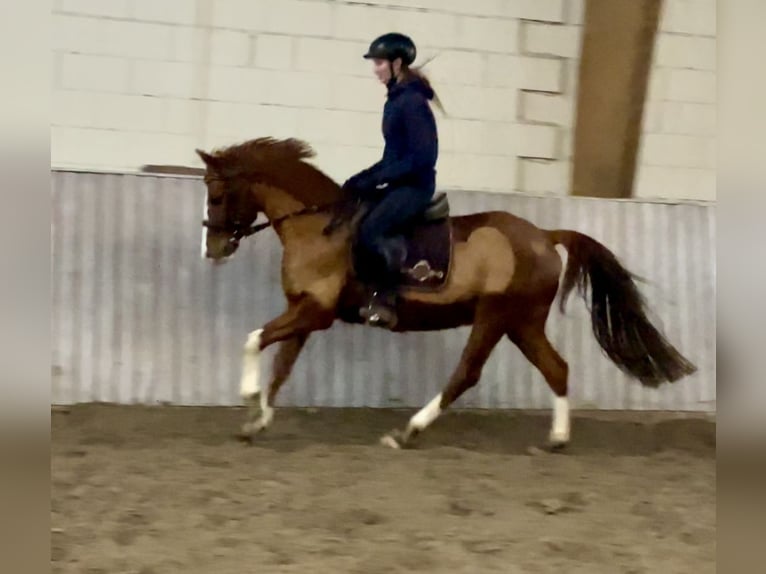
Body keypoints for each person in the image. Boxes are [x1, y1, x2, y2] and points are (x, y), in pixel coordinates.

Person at [344, 32, 442, 328]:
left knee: (371, 229)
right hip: (401, 181)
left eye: (379, 63)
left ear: (397, 63)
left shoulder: (411, 102)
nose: (375, 69)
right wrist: (363, 178)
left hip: (416, 186)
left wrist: (380, 179)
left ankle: (387, 298)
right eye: (374, 63)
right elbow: (393, 156)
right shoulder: (396, 100)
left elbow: (422, 156)